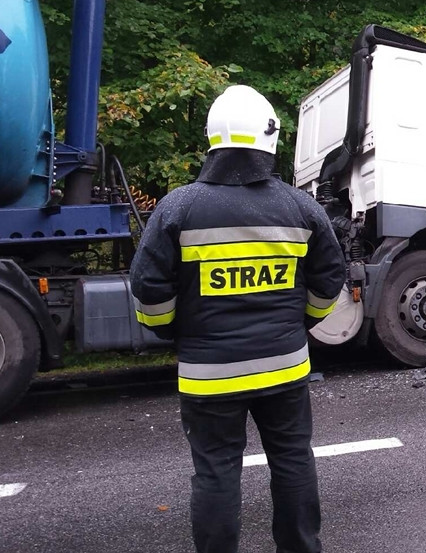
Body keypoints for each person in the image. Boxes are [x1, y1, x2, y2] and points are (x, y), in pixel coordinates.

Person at [130, 85, 346, 553]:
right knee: (292, 459)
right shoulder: (300, 207)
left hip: (208, 373)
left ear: (213, 139)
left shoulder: (178, 208)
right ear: (269, 138)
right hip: (285, 366)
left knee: (216, 471)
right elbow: (331, 278)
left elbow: (148, 289)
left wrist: (174, 331)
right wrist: (302, 322)